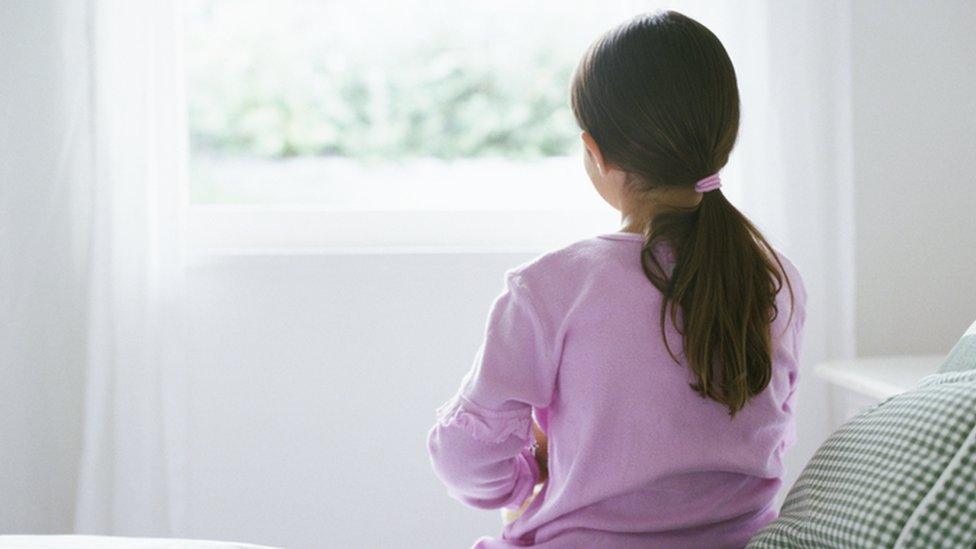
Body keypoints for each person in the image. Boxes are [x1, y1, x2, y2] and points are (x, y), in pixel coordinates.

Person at [427, 10, 807, 548]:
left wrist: (524, 479)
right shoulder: (775, 279)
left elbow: (466, 459)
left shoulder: (552, 288)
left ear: (595, 150)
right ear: (721, 141)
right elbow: (771, 429)